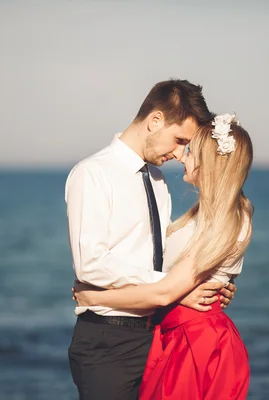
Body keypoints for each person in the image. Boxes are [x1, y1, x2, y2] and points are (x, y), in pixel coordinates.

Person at [65, 80, 237, 400]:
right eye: (179, 140)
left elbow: (163, 253)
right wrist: (171, 286)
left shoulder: (157, 180)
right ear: (155, 120)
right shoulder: (92, 174)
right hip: (108, 341)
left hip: (158, 335)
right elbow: (90, 264)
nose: (179, 153)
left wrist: (210, 282)